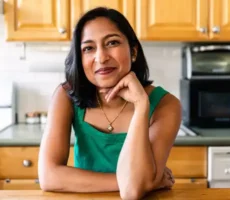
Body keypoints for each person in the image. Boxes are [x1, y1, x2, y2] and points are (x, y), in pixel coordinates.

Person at [38, 7, 181, 200]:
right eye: (88, 48)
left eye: (112, 43)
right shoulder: (66, 96)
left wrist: (141, 106)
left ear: (133, 51)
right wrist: (140, 181)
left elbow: (132, 193)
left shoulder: (166, 105)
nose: (101, 57)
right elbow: (49, 177)